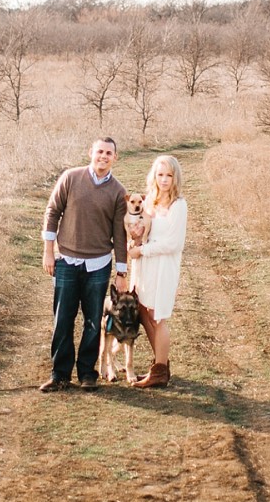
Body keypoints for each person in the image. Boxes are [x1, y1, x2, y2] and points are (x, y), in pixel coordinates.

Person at [40, 137, 130, 392]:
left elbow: (119, 234)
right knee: (63, 319)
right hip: (66, 260)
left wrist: (121, 271)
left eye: (109, 153)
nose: (103, 156)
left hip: (98, 265)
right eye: (100, 151)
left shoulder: (118, 192)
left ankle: (87, 373)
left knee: (93, 321)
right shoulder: (70, 178)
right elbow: (52, 212)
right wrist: (48, 251)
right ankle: (60, 375)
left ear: (115, 158)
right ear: (91, 152)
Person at [127, 154, 188, 389]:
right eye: (160, 174)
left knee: (158, 316)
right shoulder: (149, 201)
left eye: (169, 175)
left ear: (175, 178)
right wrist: (134, 241)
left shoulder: (178, 205)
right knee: (143, 311)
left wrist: (143, 250)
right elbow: (141, 231)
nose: (164, 180)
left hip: (163, 266)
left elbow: (173, 243)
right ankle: (161, 365)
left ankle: (160, 371)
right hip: (145, 266)